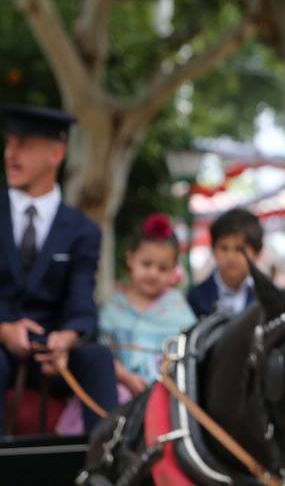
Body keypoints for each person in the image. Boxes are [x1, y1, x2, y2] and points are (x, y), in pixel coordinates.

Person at [0, 103, 116, 434]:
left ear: (56, 154)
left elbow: (82, 299)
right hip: (2, 344)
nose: (11, 154)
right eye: (9, 143)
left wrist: (68, 337)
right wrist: (4, 329)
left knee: (97, 359)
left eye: (24, 145)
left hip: (51, 351)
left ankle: (105, 472)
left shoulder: (84, 230)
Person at [99, 213, 197, 396]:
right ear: (130, 260)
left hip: (167, 391)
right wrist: (124, 376)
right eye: (146, 264)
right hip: (117, 387)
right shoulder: (114, 306)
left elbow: (187, 350)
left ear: (174, 269)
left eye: (162, 268)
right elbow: (103, 351)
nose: (153, 273)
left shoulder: (177, 307)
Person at [187, 207, 262, 318]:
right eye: (224, 248)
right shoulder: (196, 298)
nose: (230, 257)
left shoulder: (264, 299)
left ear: (257, 253)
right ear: (213, 250)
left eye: (240, 249)